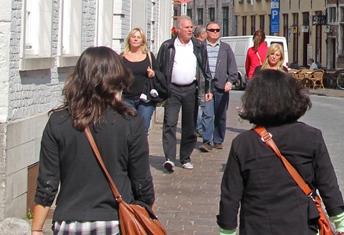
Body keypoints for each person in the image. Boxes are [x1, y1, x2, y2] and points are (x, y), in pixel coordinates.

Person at [32, 47, 155, 234]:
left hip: (69, 222)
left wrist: (36, 228)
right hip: (116, 222)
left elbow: (47, 182)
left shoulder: (59, 121)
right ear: (117, 77)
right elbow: (141, 181)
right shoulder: (130, 121)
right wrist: (149, 217)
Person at [217, 69, 344, 235]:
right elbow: (328, 185)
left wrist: (226, 231)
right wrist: (341, 224)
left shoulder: (243, 144)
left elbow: (230, 196)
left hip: (257, 227)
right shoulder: (311, 137)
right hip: (301, 225)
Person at [155, 16, 212, 172]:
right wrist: (160, 89)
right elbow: (159, 69)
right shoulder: (168, 46)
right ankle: (169, 159)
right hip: (172, 90)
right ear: (178, 29)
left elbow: (205, 69)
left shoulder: (198, 46)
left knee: (190, 125)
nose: (189, 30)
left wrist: (208, 90)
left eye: (191, 27)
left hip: (190, 90)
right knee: (170, 123)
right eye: (186, 27)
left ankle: (185, 158)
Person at [200, 21, 239, 152]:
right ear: (207, 32)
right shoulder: (200, 47)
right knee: (208, 114)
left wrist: (230, 81)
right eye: (212, 30)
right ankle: (206, 141)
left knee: (220, 114)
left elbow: (233, 68)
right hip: (206, 87)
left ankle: (218, 139)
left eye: (217, 30)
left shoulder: (226, 48)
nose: (215, 32)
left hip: (221, 86)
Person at [121, 27, 158, 131]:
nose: (136, 39)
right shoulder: (122, 57)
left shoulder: (149, 56)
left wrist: (153, 73)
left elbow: (159, 73)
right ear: (129, 39)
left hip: (145, 99)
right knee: (129, 129)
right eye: (133, 37)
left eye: (139, 37)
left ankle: (141, 147)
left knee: (142, 129)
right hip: (127, 99)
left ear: (143, 41)